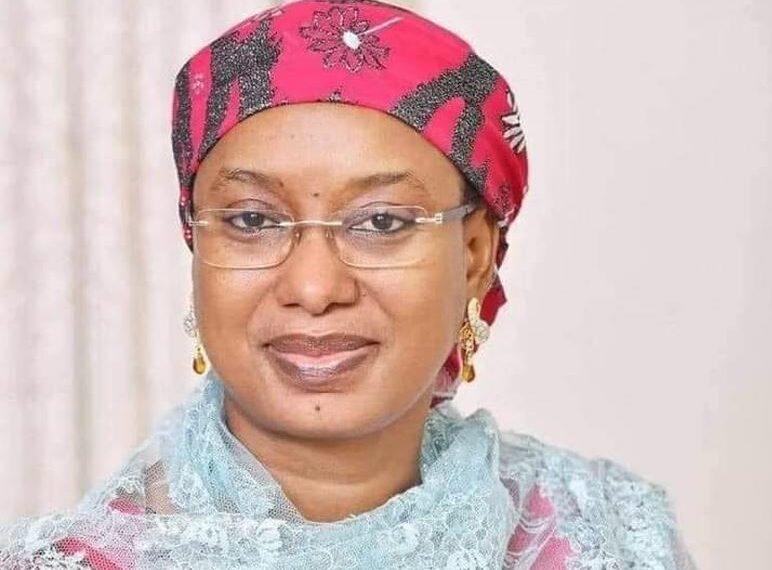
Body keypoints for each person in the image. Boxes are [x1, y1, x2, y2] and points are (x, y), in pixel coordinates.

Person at [0, 1, 696, 568]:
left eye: (382, 221)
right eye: (252, 219)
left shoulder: (609, 537)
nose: (313, 287)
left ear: (475, 255)